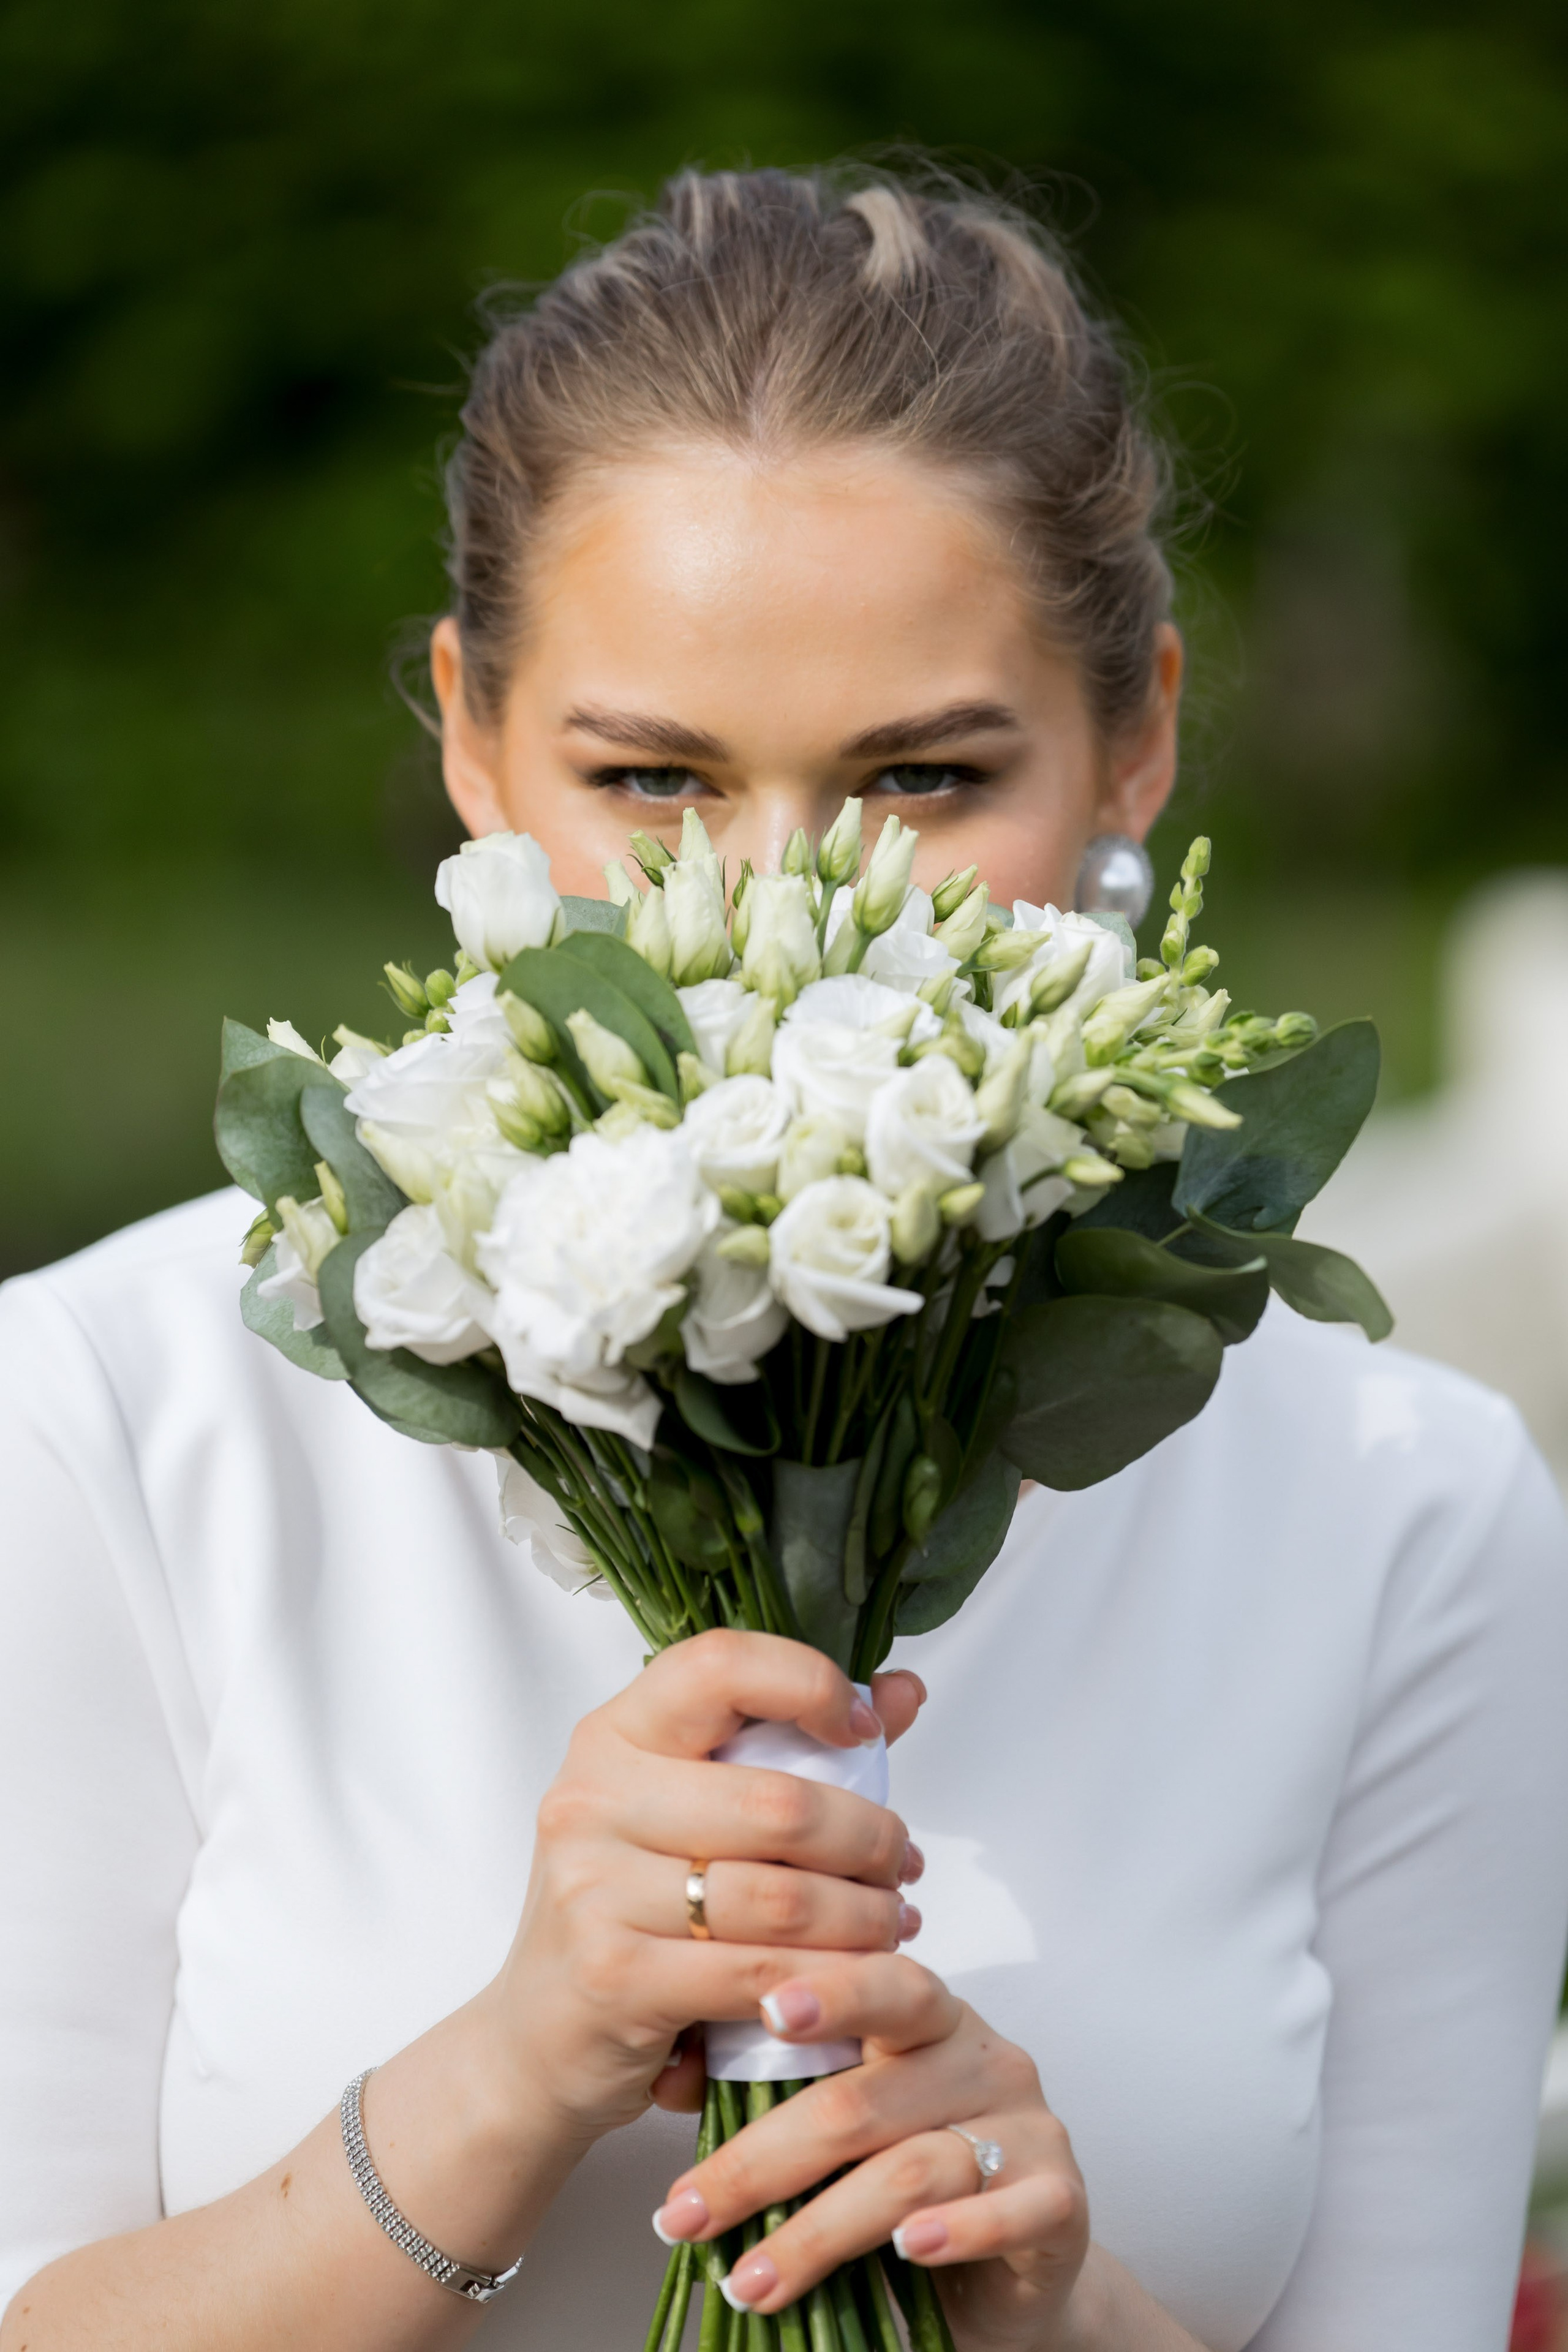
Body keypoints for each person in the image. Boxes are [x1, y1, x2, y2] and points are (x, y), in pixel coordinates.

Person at [2, 165, 1565, 2352]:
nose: (774, 913)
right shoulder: (105, 1422)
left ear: (1139, 741)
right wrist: (505, 2077)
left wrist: (1051, 2306)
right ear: (468, 737)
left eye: (925, 774)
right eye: (650, 778)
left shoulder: (1413, 1508)